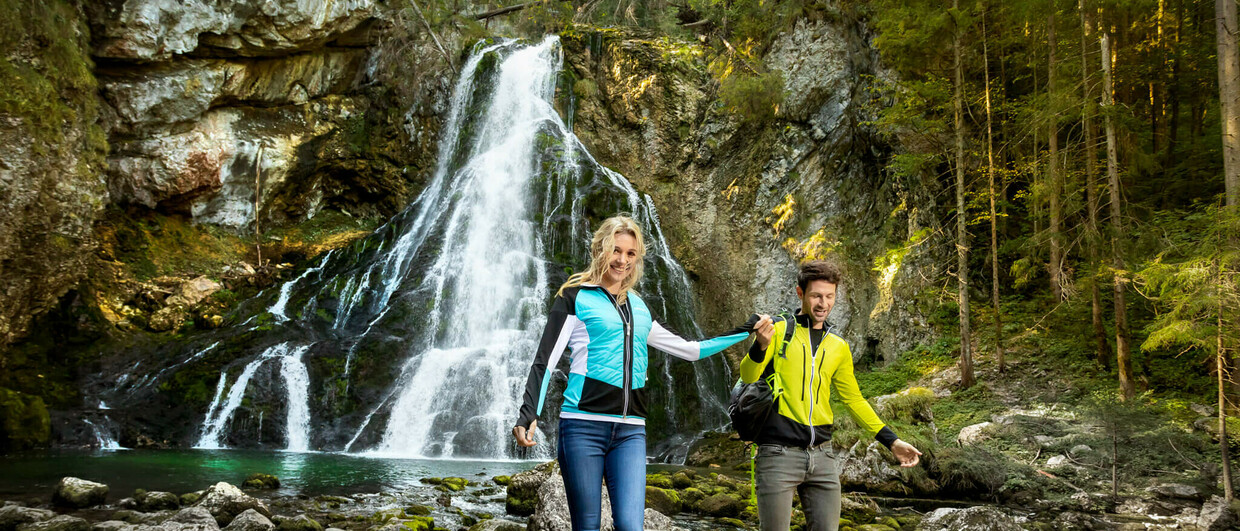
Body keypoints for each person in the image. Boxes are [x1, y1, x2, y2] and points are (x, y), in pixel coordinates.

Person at [513, 215, 765, 531]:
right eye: (615, 250)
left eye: (630, 253)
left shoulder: (640, 307)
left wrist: (746, 330)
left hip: (631, 431)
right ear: (600, 250)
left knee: (632, 526)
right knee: (587, 525)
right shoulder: (574, 298)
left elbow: (690, 350)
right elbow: (545, 361)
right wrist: (528, 413)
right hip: (583, 426)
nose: (622, 260)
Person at [743, 260, 922, 531]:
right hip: (778, 455)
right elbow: (748, 376)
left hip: (823, 458)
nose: (822, 303)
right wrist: (760, 346)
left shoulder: (838, 346)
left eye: (829, 296)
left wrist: (892, 441)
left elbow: (854, 400)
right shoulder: (778, 331)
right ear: (800, 293)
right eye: (816, 295)